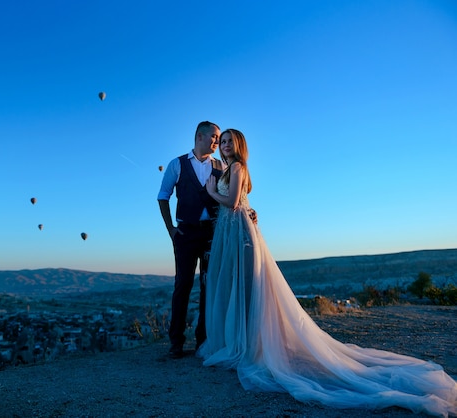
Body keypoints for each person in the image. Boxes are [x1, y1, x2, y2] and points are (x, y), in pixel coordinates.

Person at [198, 128, 457, 416]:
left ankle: (250, 348)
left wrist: (210, 192)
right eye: (222, 142)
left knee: (245, 288)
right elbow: (241, 203)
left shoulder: (237, 166)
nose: (224, 146)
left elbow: (233, 202)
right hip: (232, 232)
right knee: (239, 289)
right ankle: (243, 343)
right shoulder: (227, 167)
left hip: (238, 233)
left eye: (228, 142)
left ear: (239, 146)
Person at [157, 121, 223, 359]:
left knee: (208, 286)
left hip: (212, 234)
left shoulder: (221, 166)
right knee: (183, 285)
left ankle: (202, 341)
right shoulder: (177, 164)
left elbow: (232, 197)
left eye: (219, 138)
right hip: (185, 233)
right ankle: (176, 342)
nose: (217, 141)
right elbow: (163, 197)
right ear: (199, 136)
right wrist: (171, 230)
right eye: (214, 137)